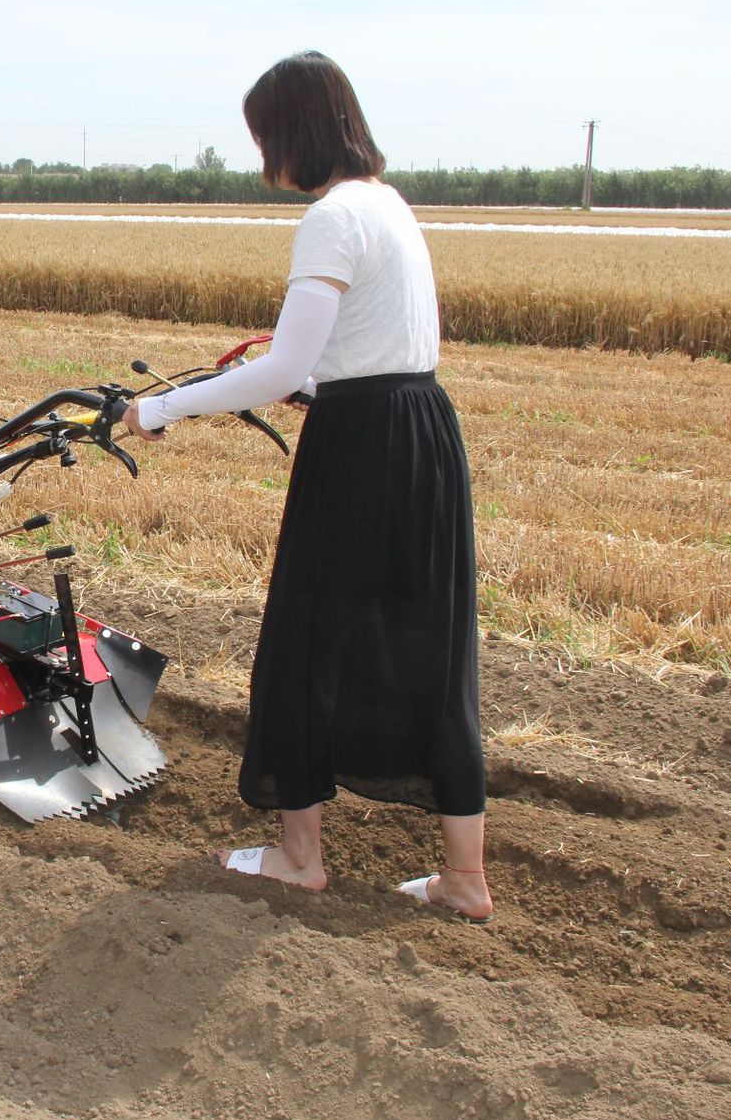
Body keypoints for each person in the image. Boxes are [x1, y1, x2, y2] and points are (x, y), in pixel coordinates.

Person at [121, 50, 492, 923]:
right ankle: (465, 878)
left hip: (360, 452)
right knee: (432, 652)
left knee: (304, 642)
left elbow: (284, 364)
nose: (263, 158)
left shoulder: (330, 218)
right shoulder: (389, 204)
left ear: (296, 133)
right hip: (424, 434)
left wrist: (163, 407)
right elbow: (370, 350)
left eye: (265, 138)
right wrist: (321, 385)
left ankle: (297, 857)